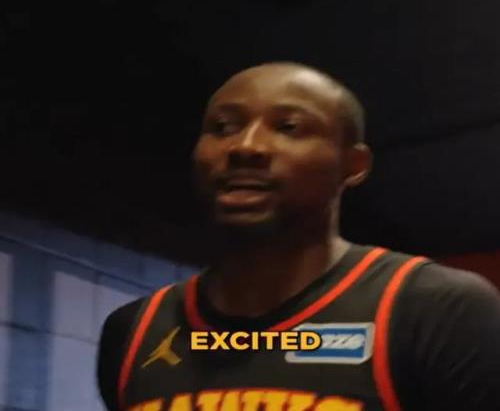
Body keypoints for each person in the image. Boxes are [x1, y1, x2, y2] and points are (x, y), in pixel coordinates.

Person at [97, 62, 500, 411]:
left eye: (288, 127)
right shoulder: (134, 332)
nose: (246, 146)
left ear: (353, 165)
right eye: (223, 128)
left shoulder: (437, 312)